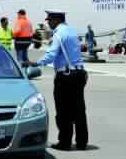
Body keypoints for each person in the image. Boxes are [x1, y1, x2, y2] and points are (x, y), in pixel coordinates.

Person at [29, 10, 88, 151]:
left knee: (64, 110)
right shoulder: (72, 31)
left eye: (49, 20)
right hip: (79, 73)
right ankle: (82, 142)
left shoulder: (58, 34)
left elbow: (52, 54)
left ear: (56, 20)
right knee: (79, 110)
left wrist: (37, 63)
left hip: (66, 76)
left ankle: (65, 142)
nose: (48, 23)